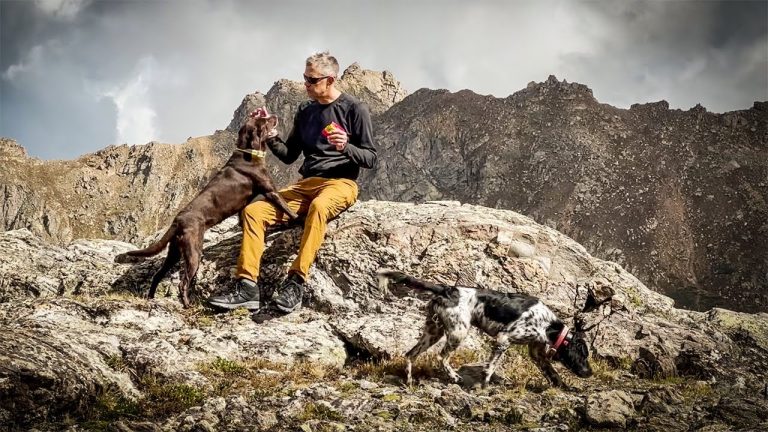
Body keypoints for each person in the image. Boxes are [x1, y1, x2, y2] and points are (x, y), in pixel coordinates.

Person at [208, 51, 377, 314]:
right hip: (305, 184)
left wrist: (346, 147)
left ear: (330, 80)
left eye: (311, 80)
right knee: (254, 211)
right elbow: (289, 155)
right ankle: (247, 287)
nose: (306, 84)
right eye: (305, 78)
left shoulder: (355, 109)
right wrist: (270, 134)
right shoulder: (306, 110)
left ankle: (296, 281)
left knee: (319, 208)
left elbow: (370, 157)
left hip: (341, 183)